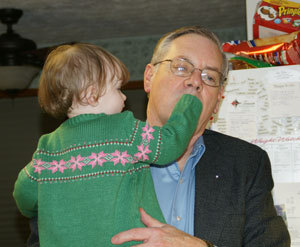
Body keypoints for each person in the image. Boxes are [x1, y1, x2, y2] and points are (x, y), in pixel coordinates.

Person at [111, 26, 291, 246]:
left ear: (218, 100)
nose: (195, 81)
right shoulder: (106, 154)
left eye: (209, 76)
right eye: (181, 67)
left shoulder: (247, 164)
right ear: (149, 78)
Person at [13, 43, 203, 246]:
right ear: (91, 94)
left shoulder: (48, 148)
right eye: (117, 88)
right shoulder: (126, 131)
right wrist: (188, 105)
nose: (124, 96)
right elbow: (169, 144)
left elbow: (23, 195)